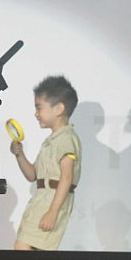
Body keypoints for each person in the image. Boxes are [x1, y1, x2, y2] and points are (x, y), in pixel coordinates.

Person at [12, 76, 82, 250]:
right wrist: (19, 155)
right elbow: (32, 175)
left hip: (52, 202)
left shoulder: (66, 138)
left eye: (39, 107)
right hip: (40, 201)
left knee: (22, 247)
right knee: (25, 248)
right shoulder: (50, 141)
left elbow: (66, 177)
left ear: (59, 109)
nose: (36, 113)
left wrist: (53, 211)